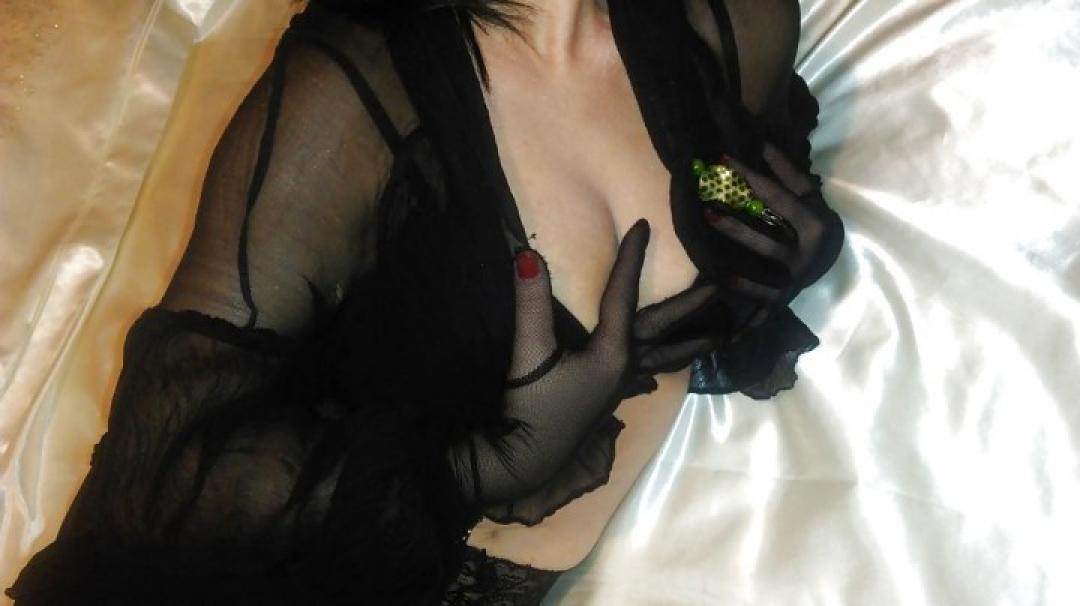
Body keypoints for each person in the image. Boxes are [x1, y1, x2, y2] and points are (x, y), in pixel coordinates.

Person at [6, 0, 844, 603]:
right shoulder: (353, 85)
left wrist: (778, 252)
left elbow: (716, 178)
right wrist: (475, 470)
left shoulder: (732, 19)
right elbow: (169, 475)